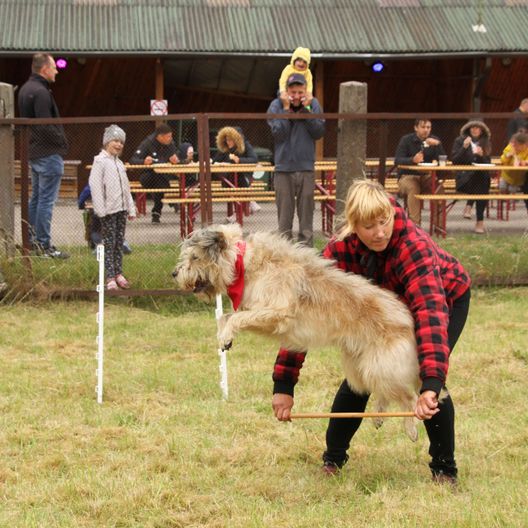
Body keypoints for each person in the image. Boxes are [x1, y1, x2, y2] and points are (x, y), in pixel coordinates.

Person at [272, 179, 471, 486]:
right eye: (368, 226)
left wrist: (432, 382)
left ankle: (445, 468)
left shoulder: (412, 247)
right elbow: (306, 314)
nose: (379, 232)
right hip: (379, 313)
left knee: (424, 381)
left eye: (384, 221)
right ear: (353, 225)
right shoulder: (338, 252)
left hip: (445, 299)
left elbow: (429, 314)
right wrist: (284, 384)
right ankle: (333, 459)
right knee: (358, 380)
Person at [17, 53, 69, 259]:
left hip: (35, 151)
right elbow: (44, 124)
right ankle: (44, 245)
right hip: (47, 153)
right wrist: (61, 141)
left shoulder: (25, 89)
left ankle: (31, 242)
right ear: (45, 69)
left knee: (37, 199)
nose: (57, 70)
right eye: (54, 67)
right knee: (46, 201)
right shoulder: (40, 92)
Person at [267, 73, 325, 247]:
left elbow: (319, 132)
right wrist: (286, 108)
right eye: (293, 92)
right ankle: (285, 254)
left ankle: (306, 254)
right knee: (284, 220)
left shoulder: (313, 104)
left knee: (306, 218)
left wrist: (306, 110)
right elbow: (279, 133)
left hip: (306, 168)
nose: (297, 96)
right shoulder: (276, 105)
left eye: (300, 91)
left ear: (306, 91)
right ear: (286, 91)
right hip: (283, 169)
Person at [89, 125, 136, 290]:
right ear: (107, 142)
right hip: (108, 211)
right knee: (109, 243)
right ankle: (109, 277)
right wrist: (101, 210)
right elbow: (95, 187)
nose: (118, 144)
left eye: (121, 142)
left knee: (119, 243)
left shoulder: (120, 164)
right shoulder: (100, 161)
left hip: (121, 210)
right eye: (115, 140)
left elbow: (126, 188)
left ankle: (118, 273)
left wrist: (130, 208)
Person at [394, 119, 446, 226]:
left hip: (427, 175)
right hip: (407, 176)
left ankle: (439, 226)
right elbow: (397, 160)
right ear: (416, 128)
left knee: (439, 188)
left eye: (428, 127)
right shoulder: (406, 140)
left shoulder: (434, 140)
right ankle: (415, 226)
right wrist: (412, 160)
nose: (426, 130)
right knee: (414, 188)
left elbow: (442, 159)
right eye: (423, 127)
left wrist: (438, 145)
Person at [129, 124, 178, 223]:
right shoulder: (147, 143)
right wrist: (144, 162)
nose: (170, 139)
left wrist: (177, 160)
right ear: (160, 136)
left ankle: (157, 212)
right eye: (168, 136)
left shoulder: (170, 144)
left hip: (165, 176)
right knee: (160, 180)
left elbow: (179, 158)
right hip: (148, 176)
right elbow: (133, 160)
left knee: (162, 181)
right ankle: (169, 203)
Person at [450, 120, 492, 234]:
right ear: (468, 129)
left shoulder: (485, 142)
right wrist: (464, 147)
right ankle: (479, 221)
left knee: (482, 177)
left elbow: (488, 163)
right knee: (482, 179)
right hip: (464, 179)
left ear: (482, 130)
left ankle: (470, 207)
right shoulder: (460, 141)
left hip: (480, 181)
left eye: (477, 128)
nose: (475, 130)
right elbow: (455, 161)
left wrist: (481, 156)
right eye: (472, 127)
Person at [212, 126, 260, 222]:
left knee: (237, 177)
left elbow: (254, 159)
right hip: (229, 178)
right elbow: (215, 160)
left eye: (230, 140)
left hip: (245, 176)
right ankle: (248, 201)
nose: (228, 142)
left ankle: (241, 209)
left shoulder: (246, 145)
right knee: (229, 179)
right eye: (226, 140)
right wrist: (212, 162)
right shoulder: (225, 148)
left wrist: (239, 160)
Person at [78, 184, 132, 254]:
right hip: (115, 209)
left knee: (95, 229)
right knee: (116, 228)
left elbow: (87, 191)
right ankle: (122, 243)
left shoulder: (96, 179)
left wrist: (81, 204)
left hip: (99, 209)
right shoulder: (116, 179)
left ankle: (100, 245)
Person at [499, 132, 528, 214]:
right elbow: (503, 160)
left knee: (513, 189)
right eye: (515, 145)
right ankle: (503, 199)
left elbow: (523, 162)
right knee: (502, 187)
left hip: (518, 177)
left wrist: (524, 162)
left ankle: (512, 202)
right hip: (507, 174)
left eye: (518, 145)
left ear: (524, 145)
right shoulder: (510, 147)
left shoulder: (526, 150)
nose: (516, 147)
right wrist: (509, 155)